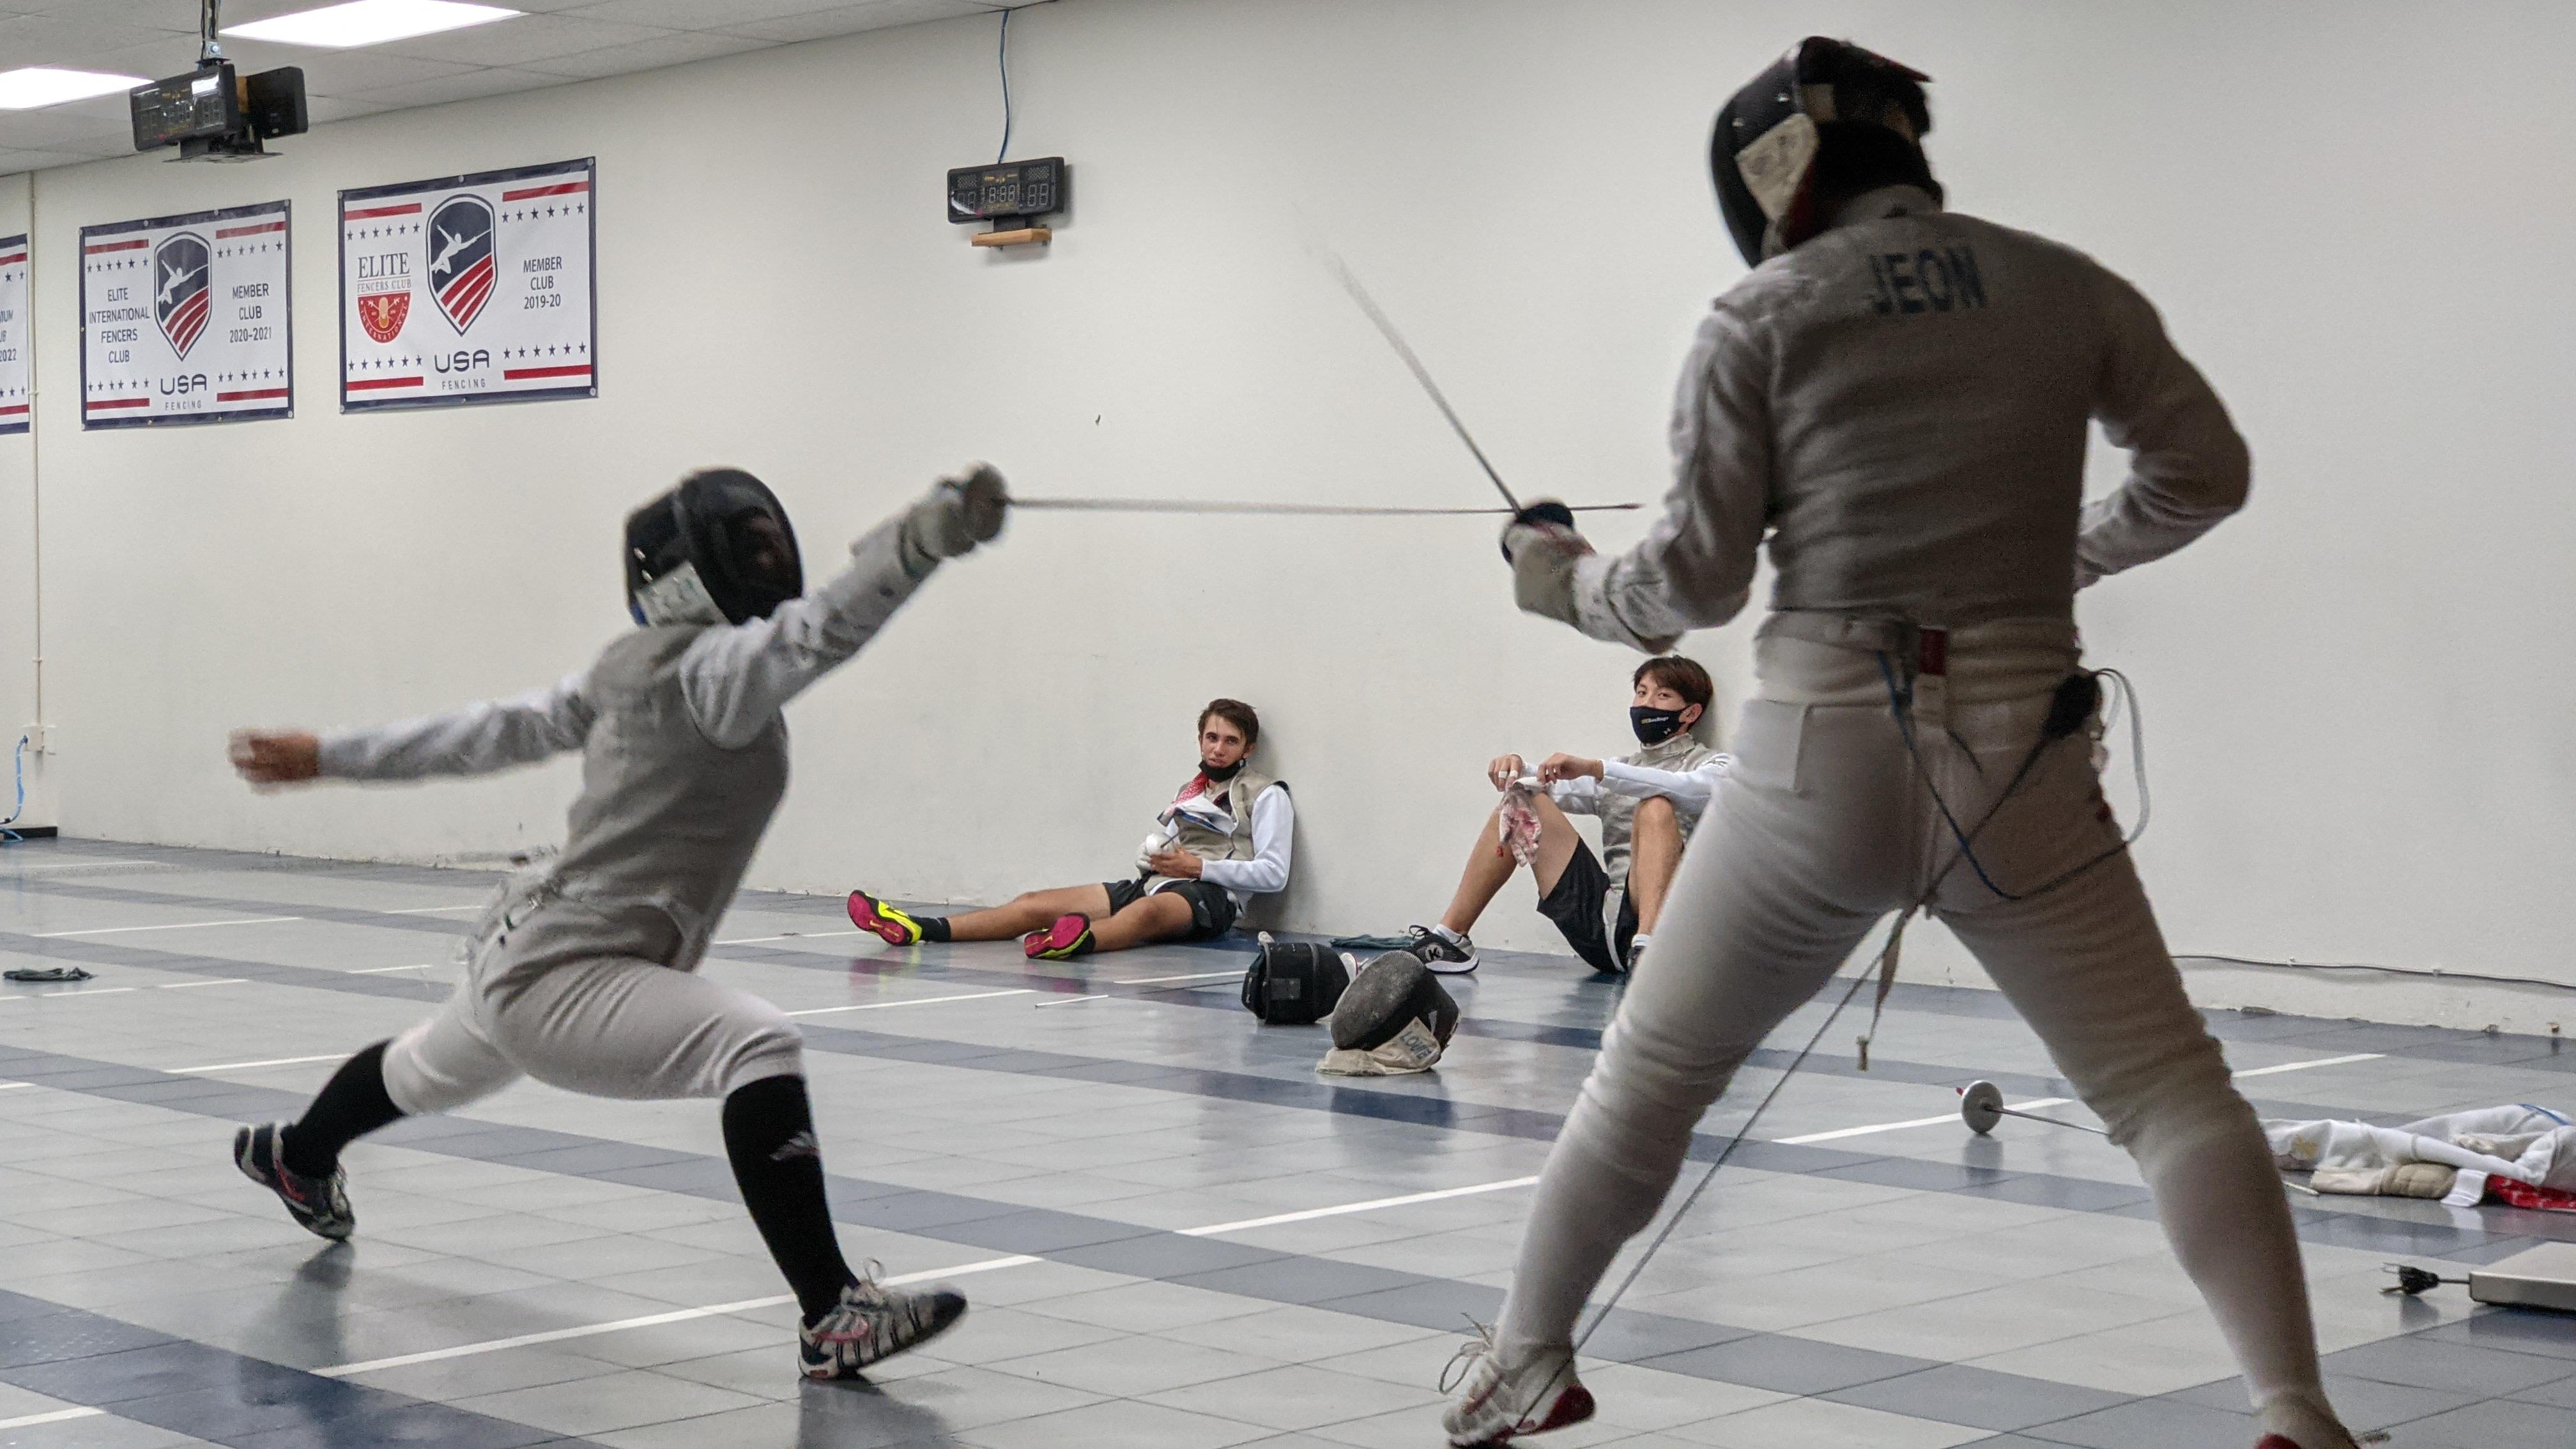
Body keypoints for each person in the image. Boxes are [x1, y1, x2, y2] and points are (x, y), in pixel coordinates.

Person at [1441, 38, 2356, 1449]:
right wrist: (2066, 560)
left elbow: (1689, 590)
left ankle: (1527, 1361)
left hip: (1822, 763)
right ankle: (2296, 1411)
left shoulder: (1760, 314)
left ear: (1770, 179)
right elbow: (2205, 475)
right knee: (2170, 1094)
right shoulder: (2065, 284)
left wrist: (1552, 570)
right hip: (2028, 757)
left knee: (1651, 1080)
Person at [224, 464, 1007, 1382]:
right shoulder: (711, 669)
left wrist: (330, 757)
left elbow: (484, 731)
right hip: (568, 970)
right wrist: (923, 542)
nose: (766, 553)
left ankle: (296, 1154)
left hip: (531, 948)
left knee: (421, 1070)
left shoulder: (623, 671)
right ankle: (832, 1311)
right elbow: (823, 628)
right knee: (758, 1045)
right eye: (748, 543)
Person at [848, 699, 1291, 960]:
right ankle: (918, 928)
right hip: (1161, 882)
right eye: (1212, 738)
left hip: (1213, 899)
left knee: (1145, 917)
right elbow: (1175, 849)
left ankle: (1073, 943)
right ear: (1199, 740)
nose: (1218, 748)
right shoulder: (1189, 790)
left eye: (1230, 741)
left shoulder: (1267, 794)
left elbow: (1274, 874)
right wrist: (1152, 856)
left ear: (1247, 748)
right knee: (1033, 903)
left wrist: (1198, 869)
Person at [1402, 656, 1731, 976]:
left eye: (1662, 696)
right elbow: (1555, 784)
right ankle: (1451, 938)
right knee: (1522, 798)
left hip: (1668, 929)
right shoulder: (1620, 769)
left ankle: (1649, 945)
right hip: (1601, 928)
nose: (1647, 703)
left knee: (1656, 805)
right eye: (1642, 692)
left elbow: (1691, 789)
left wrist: (1598, 769)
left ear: (1690, 712)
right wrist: (1518, 765)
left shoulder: (1715, 765)